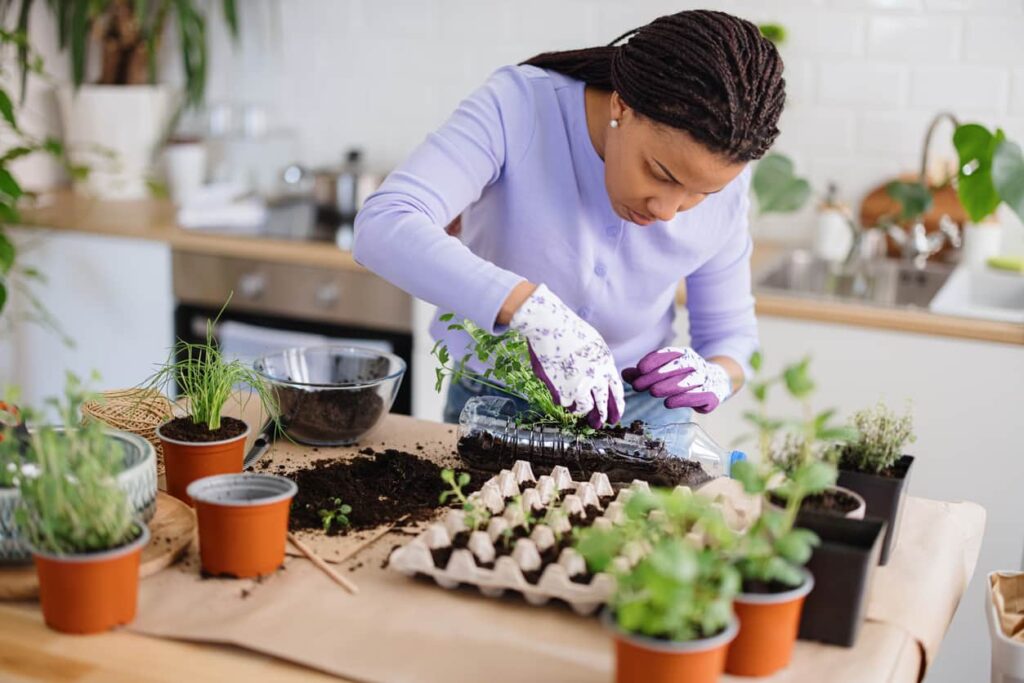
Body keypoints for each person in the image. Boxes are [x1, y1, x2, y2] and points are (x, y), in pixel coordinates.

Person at [354, 10, 785, 428]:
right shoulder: (520, 107)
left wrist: (718, 376)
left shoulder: (731, 184)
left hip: (643, 418)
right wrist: (530, 309)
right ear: (622, 104)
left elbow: (731, 337)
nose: (667, 211)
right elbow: (385, 223)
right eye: (660, 173)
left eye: (702, 194)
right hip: (495, 405)